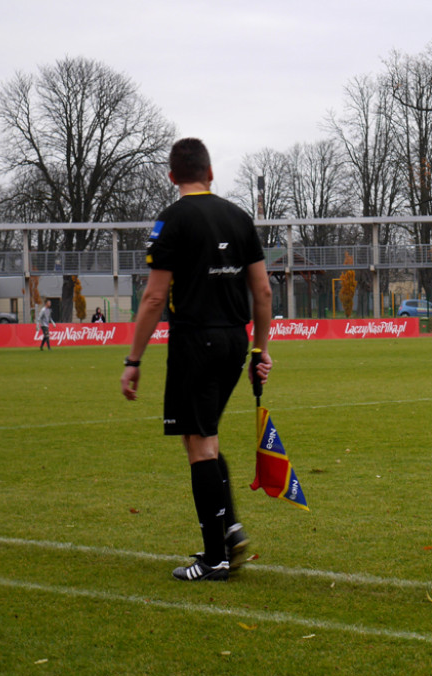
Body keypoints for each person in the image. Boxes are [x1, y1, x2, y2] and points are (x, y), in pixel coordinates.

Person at [120, 138, 273, 582]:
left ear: (172, 177)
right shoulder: (239, 216)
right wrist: (260, 350)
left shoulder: (172, 219)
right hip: (233, 341)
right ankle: (230, 530)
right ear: (210, 173)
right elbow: (262, 291)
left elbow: (153, 297)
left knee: (200, 444)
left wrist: (134, 359)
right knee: (202, 436)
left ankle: (215, 557)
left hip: (194, 343)